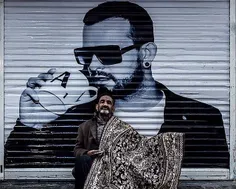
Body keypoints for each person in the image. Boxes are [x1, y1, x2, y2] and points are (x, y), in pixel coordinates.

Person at [5, 1, 229, 168]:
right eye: (86, 55)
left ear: (146, 53)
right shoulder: (71, 118)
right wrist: (30, 123)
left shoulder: (202, 118)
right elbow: (20, 172)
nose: (93, 66)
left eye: (107, 54)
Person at [72, 87, 141, 189]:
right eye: (102, 101)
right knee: (81, 161)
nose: (105, 104)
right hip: (91, 164)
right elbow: (77, 149)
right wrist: (87, 153)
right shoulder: (84, 127)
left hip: (114, 166)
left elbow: (131, 150)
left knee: (129, 166)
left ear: (113, 108)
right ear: (97, 106)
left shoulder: (122, 128)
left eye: (108, 102)